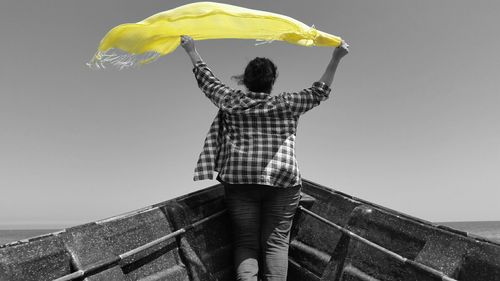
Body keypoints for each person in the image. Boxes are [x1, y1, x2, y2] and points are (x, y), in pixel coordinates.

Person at [181, 35, 348, 281]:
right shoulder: (288, 103)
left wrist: (191, 50)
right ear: (272, 81)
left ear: (246, 81)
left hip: (240, 182)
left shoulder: (231, 101)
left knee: (246, 242)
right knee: (276, 243)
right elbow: (319, 91)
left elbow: (207, 81)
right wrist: (336, 57)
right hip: (283, 182)